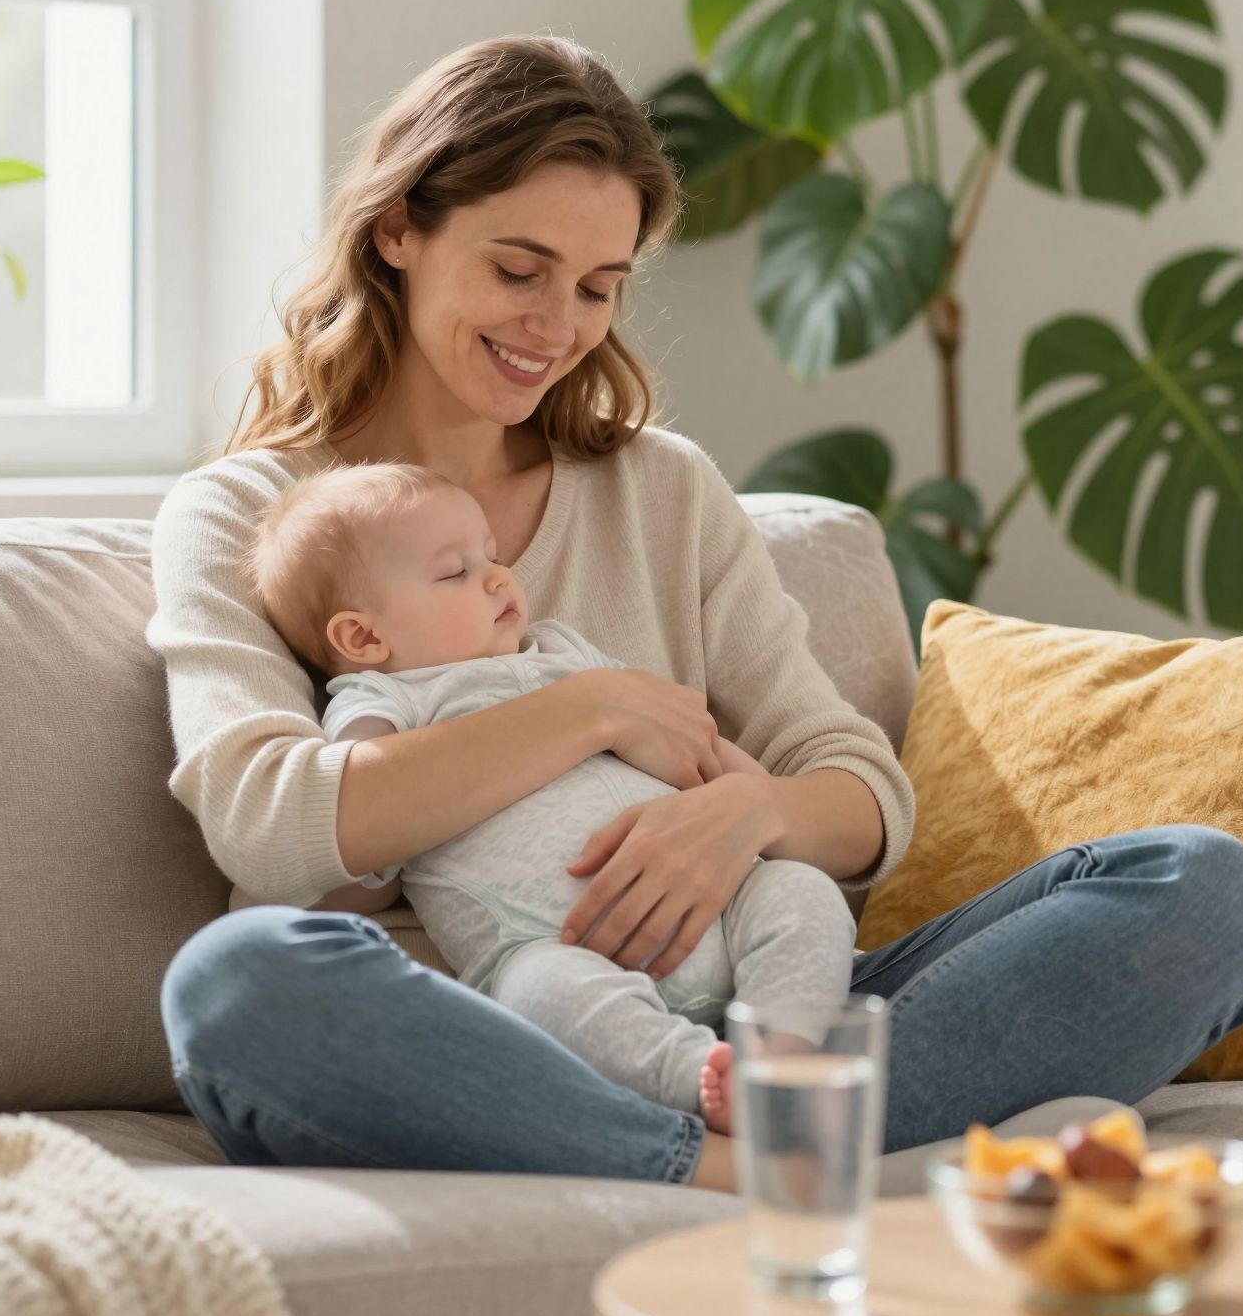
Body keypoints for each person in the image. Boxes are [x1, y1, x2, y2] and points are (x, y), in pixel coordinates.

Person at [149, 33, 1243, 1193]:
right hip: (480, 1031)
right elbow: (269, 825)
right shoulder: (246, 511)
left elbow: (859, 790)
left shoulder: (661, 490)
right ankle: (750, 1167)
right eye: (517, 269)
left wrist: (739, 817)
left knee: (1198, 886)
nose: (556, 324)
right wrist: (593, 708)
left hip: (752, 1014)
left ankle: (766, 1131)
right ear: (399, 231)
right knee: (237, 984)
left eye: (597, 288)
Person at [245, 459, 858, 1132]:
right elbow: (352, 841)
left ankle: (781, 1058)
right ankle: (698, 1079)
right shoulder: (383, 705)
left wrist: (754, 801)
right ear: (363, 636)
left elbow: (695, 744)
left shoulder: (562, 653)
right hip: (555, 948)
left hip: (727, 907)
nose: (497, 577)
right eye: (455, 572)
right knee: (537, 991)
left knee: (800, 890)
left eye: (493, 556)